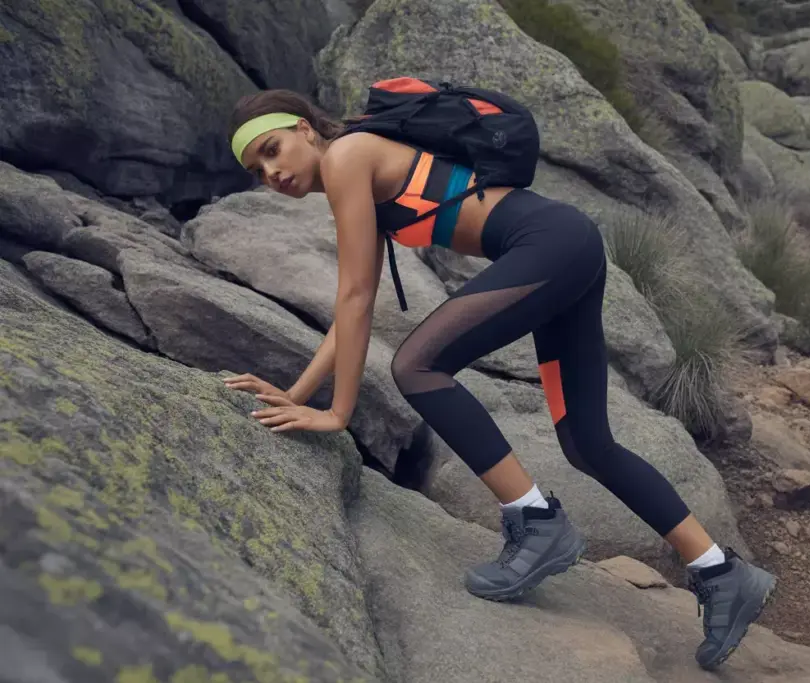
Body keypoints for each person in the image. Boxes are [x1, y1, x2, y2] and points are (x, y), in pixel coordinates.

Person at [221, 87, 776, 670]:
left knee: (417, 366)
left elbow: (357, 296)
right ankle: (721, 571)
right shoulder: (357, 162)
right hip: (565, 246)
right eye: (258, 169)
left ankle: (535, 521)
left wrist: (337, 414)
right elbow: (352, 307)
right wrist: (297, 396)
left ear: (306, 129)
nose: (272, 172)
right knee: (588, 443)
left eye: (272, 149)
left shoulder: (345, 157)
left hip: (549, 246)